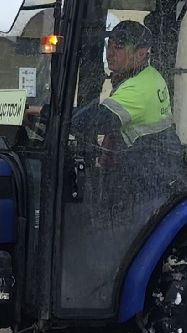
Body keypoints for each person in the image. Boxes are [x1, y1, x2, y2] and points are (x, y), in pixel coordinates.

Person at [71, 20, 180, 203]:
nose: (110, 54)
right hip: (149, 169)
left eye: (119, 48)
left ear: (140, 53)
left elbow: (99, 121)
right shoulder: (148, 75)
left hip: (147, 182)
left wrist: (46, 113)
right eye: (109, 46)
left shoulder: (139, 88)